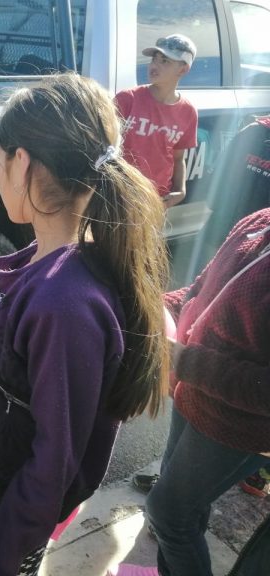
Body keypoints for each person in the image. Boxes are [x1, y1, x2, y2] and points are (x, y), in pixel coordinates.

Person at [0, 73, 171, 576]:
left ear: (22, 162)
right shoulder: (52, 263)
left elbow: (53, 465)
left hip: (5, 518)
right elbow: (3, 344)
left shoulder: (64, 304)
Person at [111, 208, 270, 576]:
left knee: (169, 515)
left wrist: (182, 360)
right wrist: (155, 309)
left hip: (237, 425)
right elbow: (201, 291)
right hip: (193, 396)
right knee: (185, 504)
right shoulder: (260, 221)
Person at [115, 34, 198, 209]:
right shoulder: (127, 99)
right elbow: (103, 148)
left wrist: (180, 190)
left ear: (183, 70)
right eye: (154, 59)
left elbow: (178, 158)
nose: (154, 65)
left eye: (165, 61)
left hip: (156, 201)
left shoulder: (188, 112)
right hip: (119, 197)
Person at [188, 114, 270, 276]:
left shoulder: (252, 130)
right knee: (202, 278)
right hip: (225, 229)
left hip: (250, 237)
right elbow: (219, 176)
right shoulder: (253, 131)